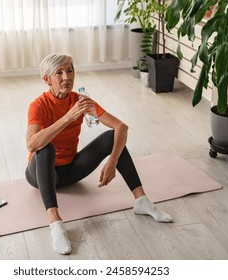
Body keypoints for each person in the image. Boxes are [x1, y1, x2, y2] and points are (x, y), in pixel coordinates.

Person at [25, 53, 172, 255]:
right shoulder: (38, 105)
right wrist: (69, 117)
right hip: (40, 173)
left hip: (70, 170)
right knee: (45, 147)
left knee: (112, 137)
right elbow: (32, 144)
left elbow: (121, 127)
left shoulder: (81, 101)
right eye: (59, 73)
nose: (67, 77)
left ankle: (141, 201)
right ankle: (55, 223)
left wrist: (112, 161)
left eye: (70, 70)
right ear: (46, 80)